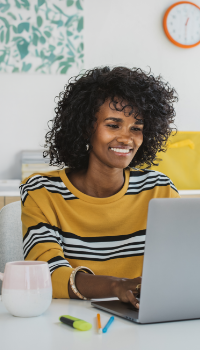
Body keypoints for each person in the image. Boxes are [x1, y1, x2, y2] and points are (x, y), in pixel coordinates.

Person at [21, 66, 179, 309]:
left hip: (144, 319)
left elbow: (179, 265)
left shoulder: (159, 189)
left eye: (136, 128)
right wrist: (117, 286)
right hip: (69, 325)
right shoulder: (42, 191)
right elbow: (46, 274)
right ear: (86, 128)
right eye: (113, 125)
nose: (127, 138)